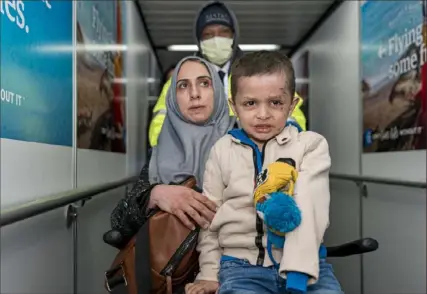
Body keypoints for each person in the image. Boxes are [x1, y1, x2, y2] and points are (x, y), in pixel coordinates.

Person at [185, 51, 342, 294]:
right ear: (233, 106)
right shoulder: (221, 151)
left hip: (309, 266)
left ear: (292, 105)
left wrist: (298, 274)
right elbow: (209, 218)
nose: (263, 114)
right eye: (250, 103)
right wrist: (208, 273)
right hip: (241, 269)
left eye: (276, 103)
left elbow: (312, 205)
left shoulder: (310, 145)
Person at [105, 56, 236, 246]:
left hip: (233, 266)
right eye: (183, 86)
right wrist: (154, 195)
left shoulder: (242, 141)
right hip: (170, 270)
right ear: (173, 98)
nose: (194, 93)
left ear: (217, 89)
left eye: (204, 83)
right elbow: (119, 222)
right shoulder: (163, 150)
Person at [148, 0, 308, 148]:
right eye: (208, 35)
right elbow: (160, 125)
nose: (216, 39)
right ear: (199, 40)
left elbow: (291, 114)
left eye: (223, 32)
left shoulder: (262, 71)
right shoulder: (180, 79)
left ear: (234, 36)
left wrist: (284, 141)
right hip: (198, 168)